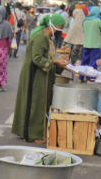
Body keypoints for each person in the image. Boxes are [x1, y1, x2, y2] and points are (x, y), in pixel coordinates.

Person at [12, 13, 68, 143]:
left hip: (43, 75)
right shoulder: (39, 38)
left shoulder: (49, 39)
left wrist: (61, 64)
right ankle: (34, 134)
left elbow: (50, 58)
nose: (59, 31)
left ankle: (29, 131)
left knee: (39, 104)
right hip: (34, 75)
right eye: (58, 28)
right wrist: (55, 63)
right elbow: (37, 59)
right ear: (51, 26)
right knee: (36, 104)